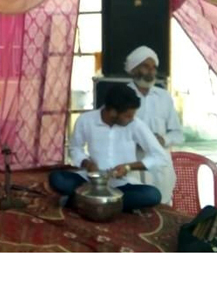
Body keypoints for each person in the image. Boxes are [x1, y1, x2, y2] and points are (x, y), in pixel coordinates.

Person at [49, 83, 170, 212]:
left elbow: (160, 157)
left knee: (153, 195)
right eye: (128, 115)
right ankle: (108, 204)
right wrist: (87, 164)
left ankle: (85, 201)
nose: (131, 119)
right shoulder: (86, 120)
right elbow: (75, 149)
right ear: (112, 112)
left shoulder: (136, 125)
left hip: (120, 185)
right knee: (57, 179)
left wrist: (128, 167)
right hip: (90, 182)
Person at [124, 46, 182, 204]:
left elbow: (178, 134)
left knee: (163, 208)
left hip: (161, 169)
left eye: (153, 67)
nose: (151, 71)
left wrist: (162, 140)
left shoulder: (164, 97)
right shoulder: (122, 96)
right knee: (134, 213)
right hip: (132, 165)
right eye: (145, 66)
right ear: (134, 69)